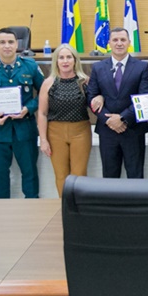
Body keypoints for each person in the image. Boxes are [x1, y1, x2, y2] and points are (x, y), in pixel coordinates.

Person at [0, 28, 44, 198]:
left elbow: (44, 93)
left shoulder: (30, 66)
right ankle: (2, 209)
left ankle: (33, 206)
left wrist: (29, 108)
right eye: (2, 42)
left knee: (29, 173)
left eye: (11, 42)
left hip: (24, 130)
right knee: (0, 176)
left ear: (17, 45)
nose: (7, 46)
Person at [87, 28, 148, 179]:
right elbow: (91, 97)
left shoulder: (141, 67)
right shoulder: (98, 67)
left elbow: (144, 97)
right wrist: (109, 120)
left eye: (123, 40)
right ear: (109, 43)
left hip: (133, 130)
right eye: (115, 40)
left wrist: (122, 118)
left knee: (135, 176)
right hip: (107, 131)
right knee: (110, 177)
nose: (119, 43)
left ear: (129, 42)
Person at [37, 43, 91, 197]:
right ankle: (65, 206)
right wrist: (43, 139)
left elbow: (95, 102)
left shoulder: (85, 81)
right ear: (56, 61)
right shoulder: (48, 83)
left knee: (79, 174)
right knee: (61, 175)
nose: (65, 61)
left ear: (75, 60)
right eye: (61, 58)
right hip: (55, 134)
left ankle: (79, 207)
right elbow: (42, 113)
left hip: (80, 132)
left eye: (69, 57)